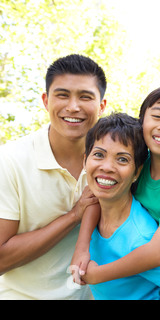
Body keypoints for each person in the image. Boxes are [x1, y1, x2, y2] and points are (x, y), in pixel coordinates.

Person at [71, 85, 160, 297]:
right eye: (157, 116)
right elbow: (95, 197)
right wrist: (82, 248)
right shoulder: (139, 158)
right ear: (142, 119)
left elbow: (157, 253)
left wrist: (99, 274)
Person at [0, 54, 107, 299]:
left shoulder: (118, 162)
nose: (73, 106)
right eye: (62, 95)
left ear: (101, 106)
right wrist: (74, 216)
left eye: (85, 97)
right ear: (46, 101)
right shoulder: (9, 161)